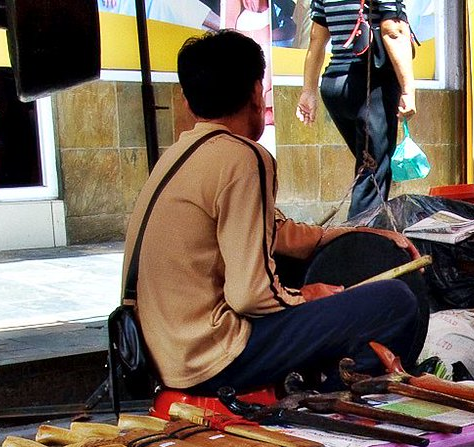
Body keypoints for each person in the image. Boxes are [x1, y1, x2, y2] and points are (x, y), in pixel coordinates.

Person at [128, 31, 423, 394]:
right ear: (257, 93)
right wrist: (308, 295)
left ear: (188, 103)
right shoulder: (243, 157)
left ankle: (313, 384)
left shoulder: (177, 155)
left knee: (299, 272)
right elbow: (250, 295)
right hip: (209, 357)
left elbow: (275, 232)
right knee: (395, 301)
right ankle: (335, 400)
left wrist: (359, 234)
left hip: (163, 353)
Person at [296, 0, 415, 219]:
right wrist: (408, 89)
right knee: (372, 176)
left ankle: (369, 236)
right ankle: (360, 243)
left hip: (335, 86)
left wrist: (309, 91)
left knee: (370, 167)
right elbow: (393, 31)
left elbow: (316, 39)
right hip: (369, 87)